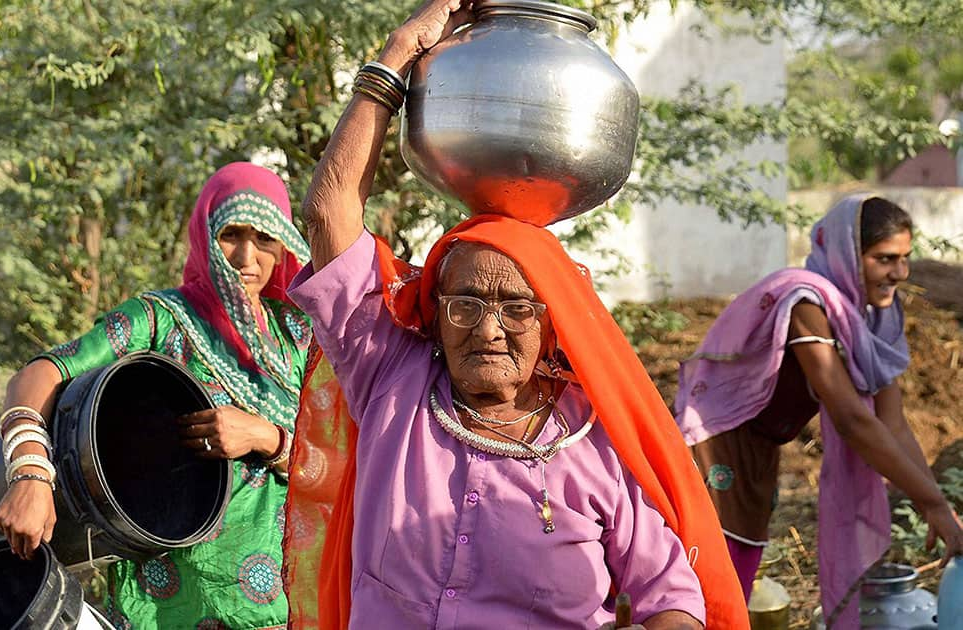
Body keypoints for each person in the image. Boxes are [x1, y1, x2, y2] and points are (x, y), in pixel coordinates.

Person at [280, 1, 750, 628]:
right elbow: (328, 215)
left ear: (556, 323)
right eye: (466, 303)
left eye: (517, 308)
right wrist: (398, 54)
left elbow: (673, 599)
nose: (488, 328)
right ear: (435, 310)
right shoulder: (391, 376)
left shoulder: (593, 443)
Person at [0, 162, 315, 629]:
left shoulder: (298, 338)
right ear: (205, 236)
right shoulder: (160, 319)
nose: (247, 257)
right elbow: (39, 374)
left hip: (287, 608)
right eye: (231, 234)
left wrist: (267, 438)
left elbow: (343, 459)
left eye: (265, 238)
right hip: (172, 607)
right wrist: (30, 474)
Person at [675, 194, 963, 627]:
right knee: (713, 583)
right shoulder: (805, 301)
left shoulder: (870, 317)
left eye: (904, 259)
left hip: (762, 448)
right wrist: (931, 502)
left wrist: (935, 503)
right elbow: (851, 420)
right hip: (716, 448)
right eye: (884, 259)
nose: (899, 273)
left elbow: (893, 423)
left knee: (737, 576)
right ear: (849, 253)